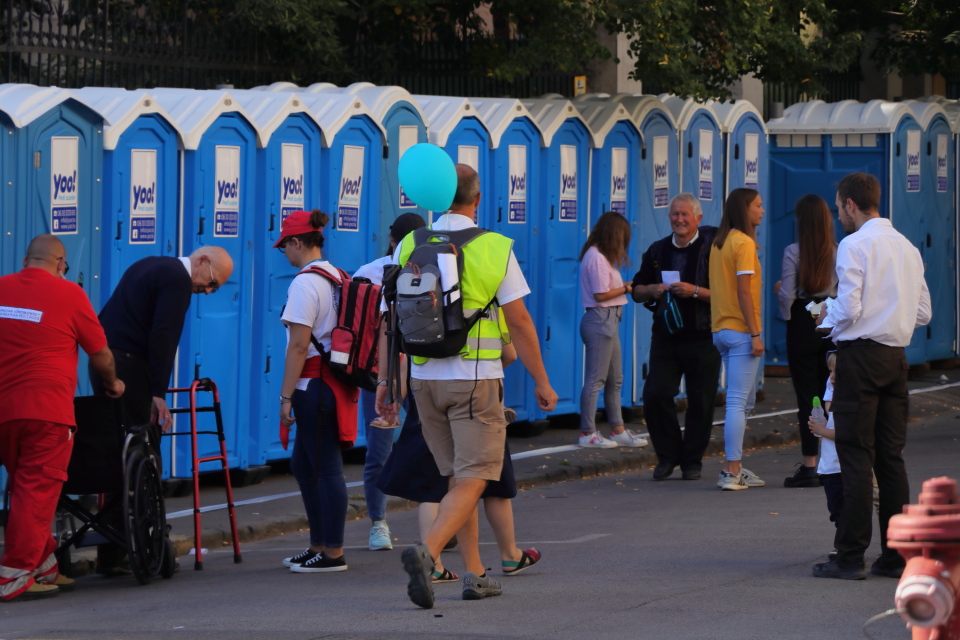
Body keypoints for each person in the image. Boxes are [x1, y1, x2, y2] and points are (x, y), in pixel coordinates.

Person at [378, 163, 558, 608]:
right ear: (478, 199)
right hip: (474, 379)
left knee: (459, 479)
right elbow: (519, 321)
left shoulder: (410, 243)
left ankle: (475, 573)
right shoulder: (493, 246)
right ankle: (428, 551)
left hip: (423, 380)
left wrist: (386, 381)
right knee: (475, 478)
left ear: (438, 195)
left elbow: (391, 317)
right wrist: (541, 380)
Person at [812, 172, 931, 581]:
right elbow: (923, 312)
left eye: (838, 208)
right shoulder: (907, 247)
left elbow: (849, 308)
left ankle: (849, 556)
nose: (838, 216)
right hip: (895, 358)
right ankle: (896, 557)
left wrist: (825, 319)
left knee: (855, 454)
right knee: (890, 459)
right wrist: (891, 316)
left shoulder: (854, 244)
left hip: (860, 359)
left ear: (850, 204)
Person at [90, 245, 233, 575]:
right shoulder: (177, 279)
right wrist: (158, 393)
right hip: (130, 369)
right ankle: (143, 544)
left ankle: (111, 552)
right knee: (144, 453)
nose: (207, 291)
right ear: (202, 261)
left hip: (106, 364)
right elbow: (164, 337)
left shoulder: (149, 264)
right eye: (212, 282)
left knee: (117, 456)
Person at [0, 235, 125, 601]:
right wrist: (113, 382)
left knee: (25, 488)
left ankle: (43, 565)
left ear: (25, 261)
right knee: (37, 491)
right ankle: (14, 574)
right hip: (46, 412)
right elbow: (100, 354)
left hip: (5, 411)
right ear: (60, 263)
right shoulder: (70, 294)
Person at [376, 343, 541, 583]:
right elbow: (510, 353)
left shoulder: (419, 330)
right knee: (488, 482)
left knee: (434, 489)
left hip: (426, 400)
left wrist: (390, 394)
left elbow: (404, 366)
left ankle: (438, 566)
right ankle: (506, 554)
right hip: (474, 394)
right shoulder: (482, 319)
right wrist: (538, 381)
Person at [275, 209, 356, 573]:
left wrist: (285, 397)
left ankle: (333, 552)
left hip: (314, 386)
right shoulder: (338, 276)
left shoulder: (305, 284)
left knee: (325, 470)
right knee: (304, 464)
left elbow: (298, 346)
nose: (285, 254)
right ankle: (318, 545)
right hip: (333, 385)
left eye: (285, 247)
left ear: (297, 242)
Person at [352, 212, 427, 551]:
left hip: (413, 368)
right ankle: (379, 522)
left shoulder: (429, 270)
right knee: (385, 448)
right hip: (385, 369)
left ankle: (433, 519)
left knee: (425, 445)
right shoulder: (370, 273)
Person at [632, 194, 720, 480]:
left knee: (701, 401)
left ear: (698, 218)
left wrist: (694, 291)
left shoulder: (712, 250)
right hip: (665, 338)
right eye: (674, 214)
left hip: (704, 337)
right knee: (655, 394)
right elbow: (636, 290)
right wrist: (653, 289)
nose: (679, 220)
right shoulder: (657, 250)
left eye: (685, 214)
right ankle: (667, 456)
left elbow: (729, 295)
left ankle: (692, 461)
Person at [777, 194, 837, 488]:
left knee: (807, 396)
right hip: (830, 319)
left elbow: (787, 295)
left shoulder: (793, 251)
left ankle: (810, 465)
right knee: (830, 393)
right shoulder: (837, 251)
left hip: (803, 322)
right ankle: (831, 464)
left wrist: (788, 316)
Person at [708, 188, 767, 491]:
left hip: (720, 328)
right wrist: (755, 333)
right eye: (758, 205)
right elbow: (744, 292)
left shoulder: (720, 242)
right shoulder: (743, 243)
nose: (762, 210)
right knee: (737, 402)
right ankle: (731, 470)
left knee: (744, 401)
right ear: (745, 210)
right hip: (741, 330)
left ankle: (736, 467)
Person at [577, 211, 647, 449]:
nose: (623, 244)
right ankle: (587, 433)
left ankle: (617, 430)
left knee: (615, 379)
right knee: (595, 380)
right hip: (600, 320)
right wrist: (626, 289)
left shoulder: (599, 257)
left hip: (608, 320)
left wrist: (625, 285)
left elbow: (606, 289)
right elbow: (600, 294)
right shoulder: (596, 258)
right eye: (623, 238)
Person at [808, 352, 841, 539]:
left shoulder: (850, 402)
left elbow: (846, 434)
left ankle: (845, 546)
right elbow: (830, 410)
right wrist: (821, 424)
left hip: (842, 465)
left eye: (837, 372)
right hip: (830, 465)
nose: (832, 377)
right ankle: (843, 544)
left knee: (844, 510)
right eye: (830, 371)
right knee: (835, 509)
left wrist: (821, 430)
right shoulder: (833, 388)